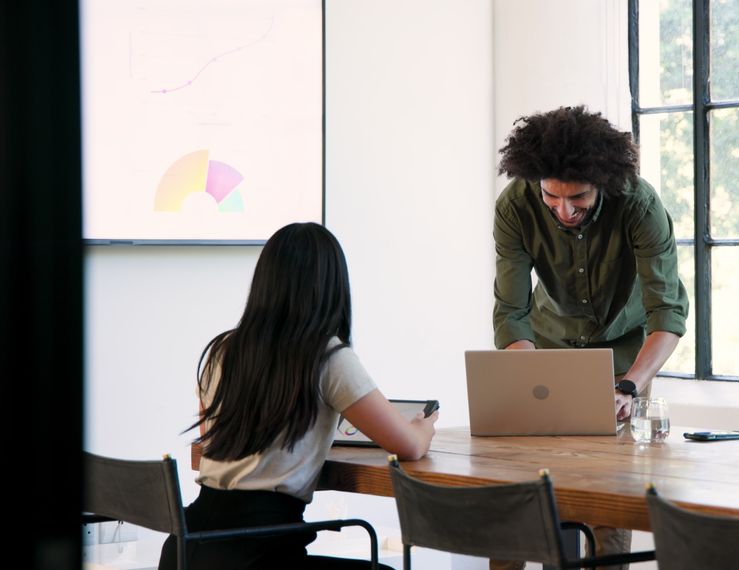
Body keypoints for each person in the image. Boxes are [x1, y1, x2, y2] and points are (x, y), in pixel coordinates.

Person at [159, 222, 438, 570]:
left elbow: (211, 439)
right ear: (332, 287)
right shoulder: (329, 357)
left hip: (187, 549)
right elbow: (409, 447)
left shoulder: (223, 350)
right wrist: (422, 426)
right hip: (260, 555)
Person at [491, 106, 689, 570]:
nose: (564, 210)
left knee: (609, 496)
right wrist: (534, 378)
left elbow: (667, 313)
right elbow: (511, 312)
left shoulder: (639, 204)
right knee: (524, 489)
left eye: (578, 197)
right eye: (552, 196)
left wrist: (629, 386)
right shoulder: (515, 205)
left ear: (601, 181)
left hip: (625, 358)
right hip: (546, 349)